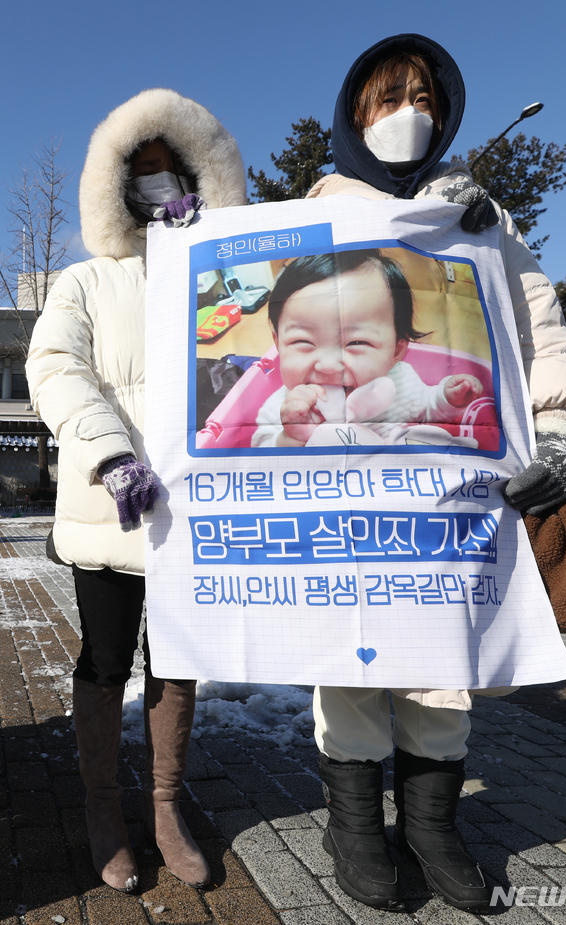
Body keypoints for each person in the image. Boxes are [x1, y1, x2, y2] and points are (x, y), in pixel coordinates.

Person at [304, 34, 566, 912]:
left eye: (426, 100)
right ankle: (353, 822)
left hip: (455, 486)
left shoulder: (482, 222)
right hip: (345, 487)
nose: (410, 115)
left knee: (447, 655)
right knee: (352, 652)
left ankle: (433, 824)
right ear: (356, 114)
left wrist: (562, 430)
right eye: (391, 98)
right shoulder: (314, 215)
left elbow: (541, 333)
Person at [26, 89, 246, 893]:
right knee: (107, 656)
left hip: (195, 511)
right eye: (142, 171)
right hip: (111, 506)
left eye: (171, 169)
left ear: (197, 177)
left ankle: (162, 804)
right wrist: (111, 454)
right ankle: (102, 808)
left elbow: (260, 367)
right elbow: (54, 366)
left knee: (178, 658)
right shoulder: (85, 280)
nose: (158, 184)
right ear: (117, 187)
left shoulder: (224, 279)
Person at [252, 249, 483, 448]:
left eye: (356, 343)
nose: (328, 366)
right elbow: (262, 455)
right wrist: (289, 438)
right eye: (303, 342)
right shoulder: (281, 408)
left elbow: (427, 412)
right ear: (278, 343)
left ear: (395, 351)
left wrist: (447, 399)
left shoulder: (401, 383)